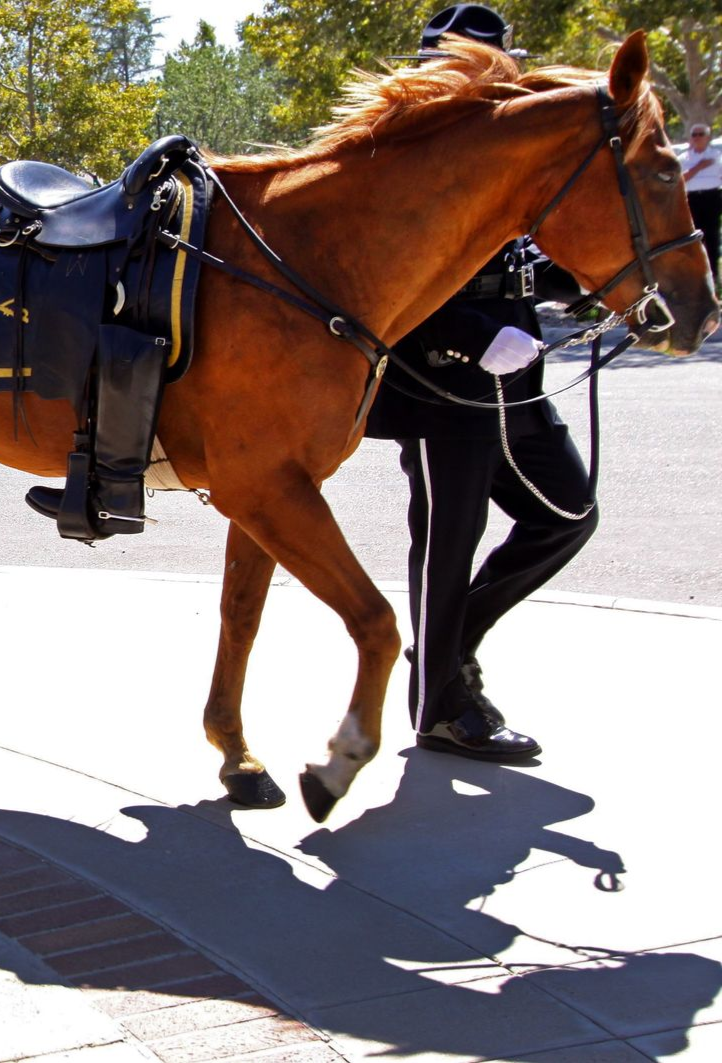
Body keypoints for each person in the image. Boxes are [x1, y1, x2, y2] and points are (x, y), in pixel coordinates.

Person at [365, 3, 596, 764]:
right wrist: (474, 334)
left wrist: (580, 281)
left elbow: (520, 258)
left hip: (516, 377)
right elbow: (388, 283)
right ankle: (438, 705)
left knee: (567, 513)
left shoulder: (510, 150)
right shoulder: (401, 156)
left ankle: (446, 645)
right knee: (446, 545)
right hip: (441, 384)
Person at [678, 123, 720, 293]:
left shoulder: (717, 156)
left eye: (700, 134)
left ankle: (713, 276)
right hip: (692, 199)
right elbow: (681, 179)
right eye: (694, 134)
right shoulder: (684, 158)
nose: (697, 137)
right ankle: (694, 277)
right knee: (692, 239)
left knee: (712, 237)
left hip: (712, 198)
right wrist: (699, 167)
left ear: (707, 137)